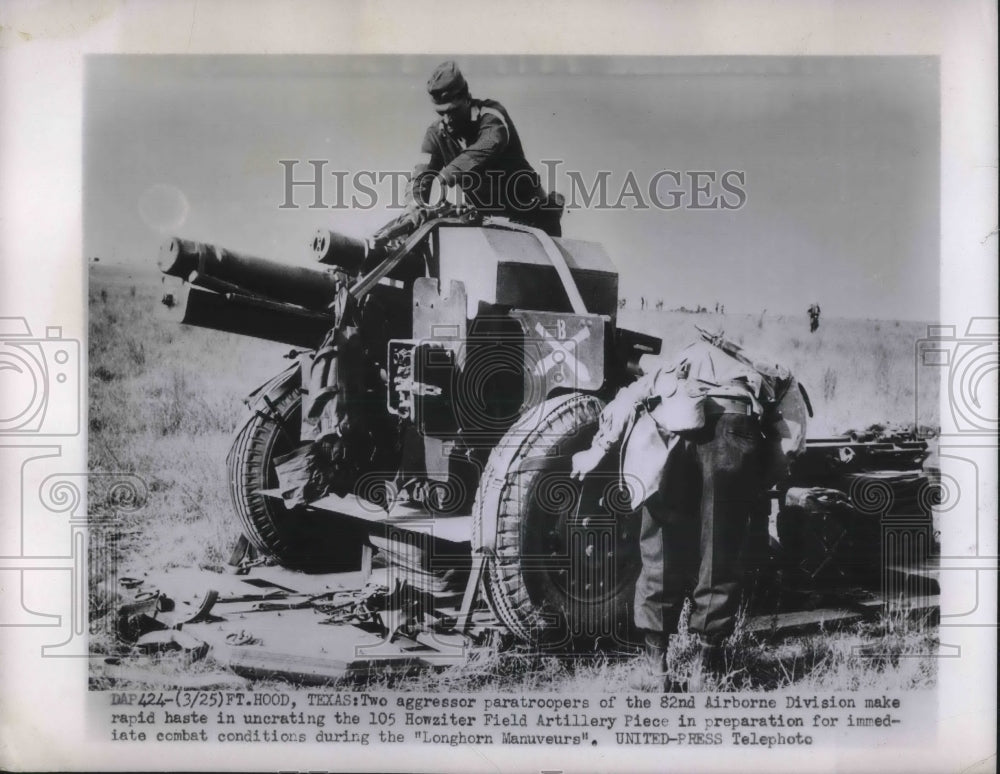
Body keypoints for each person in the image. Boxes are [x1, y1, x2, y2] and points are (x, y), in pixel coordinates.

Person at [571, 329, 807, 690]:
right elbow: (790, 439)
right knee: (720, 549)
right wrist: (758, 480)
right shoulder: (772, 370)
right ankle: (706, 671)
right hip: (734, 430)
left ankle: (656, 670)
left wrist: (595, 450)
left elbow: (625, 402)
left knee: (660, 548)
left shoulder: (672, 364)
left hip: (670, 431)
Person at [405, 61, 564, 237]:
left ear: (467, 98)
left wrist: (446, 176)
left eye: (453, 111)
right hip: (490, 222)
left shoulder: (491, 115)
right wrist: (415, 206)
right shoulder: (436, 134)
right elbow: (420, 177)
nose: (448, 120)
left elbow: (489, 144)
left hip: (534, 216)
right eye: (441, 113)